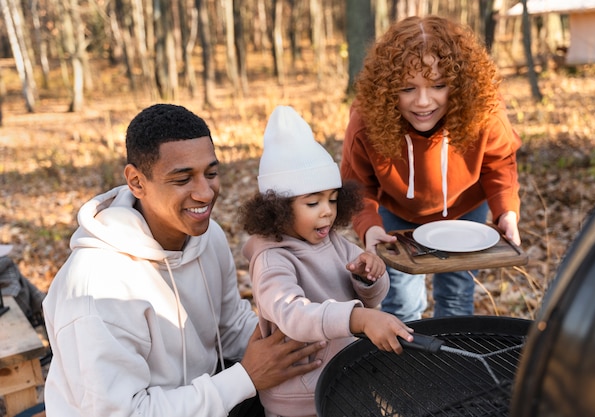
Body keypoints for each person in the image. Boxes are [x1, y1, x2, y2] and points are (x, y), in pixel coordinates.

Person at [42, 104, 327, 417]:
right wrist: (245, 378)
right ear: (136, 182)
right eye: (182, 179)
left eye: (211, 173)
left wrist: (308, 333)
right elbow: (122, 413)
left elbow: (231, 327)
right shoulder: (95, 287)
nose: (205, 193)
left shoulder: (209, 237)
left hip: (211, 398)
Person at [341, 15, 522, 321]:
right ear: (386, 89)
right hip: (398, 212)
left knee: (456, 293)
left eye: (438, 85)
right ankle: (409, 364)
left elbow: (499, 161)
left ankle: (451, 362)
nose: (423, 102)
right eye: (407, 89)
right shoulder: (366, 123)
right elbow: (357, 184)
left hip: (465, 210)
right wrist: (370, 227)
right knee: (402, 300)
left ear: (460, 84)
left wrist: (506, 211)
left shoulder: (483, 111)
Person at [239, 105, 414, 417]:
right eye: (312, 202)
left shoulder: (331, 239)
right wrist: (358, 320)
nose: (327, 212)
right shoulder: (272, 259)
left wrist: (368, 277)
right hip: (298, 400)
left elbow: (370, 297)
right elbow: (293, 315)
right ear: (277, 208)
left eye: (332, 200)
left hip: (345, 380)